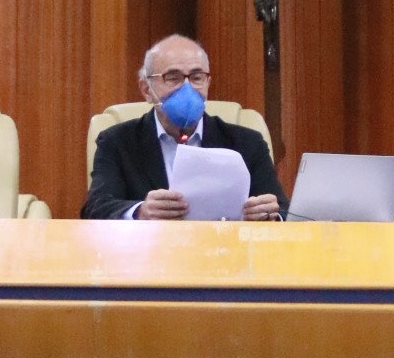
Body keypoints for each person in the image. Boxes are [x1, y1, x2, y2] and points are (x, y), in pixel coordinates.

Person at [81, 34, 287, 220]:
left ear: (208, 83)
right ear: (146, 89)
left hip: (224, 247)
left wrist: (269, 214)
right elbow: (96, 208)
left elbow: (283, 211)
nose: (187, 89)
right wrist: (140, 211)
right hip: (151, 247)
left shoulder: (247, 142)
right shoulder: (117, 141)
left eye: (197, 78)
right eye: (173, 78)